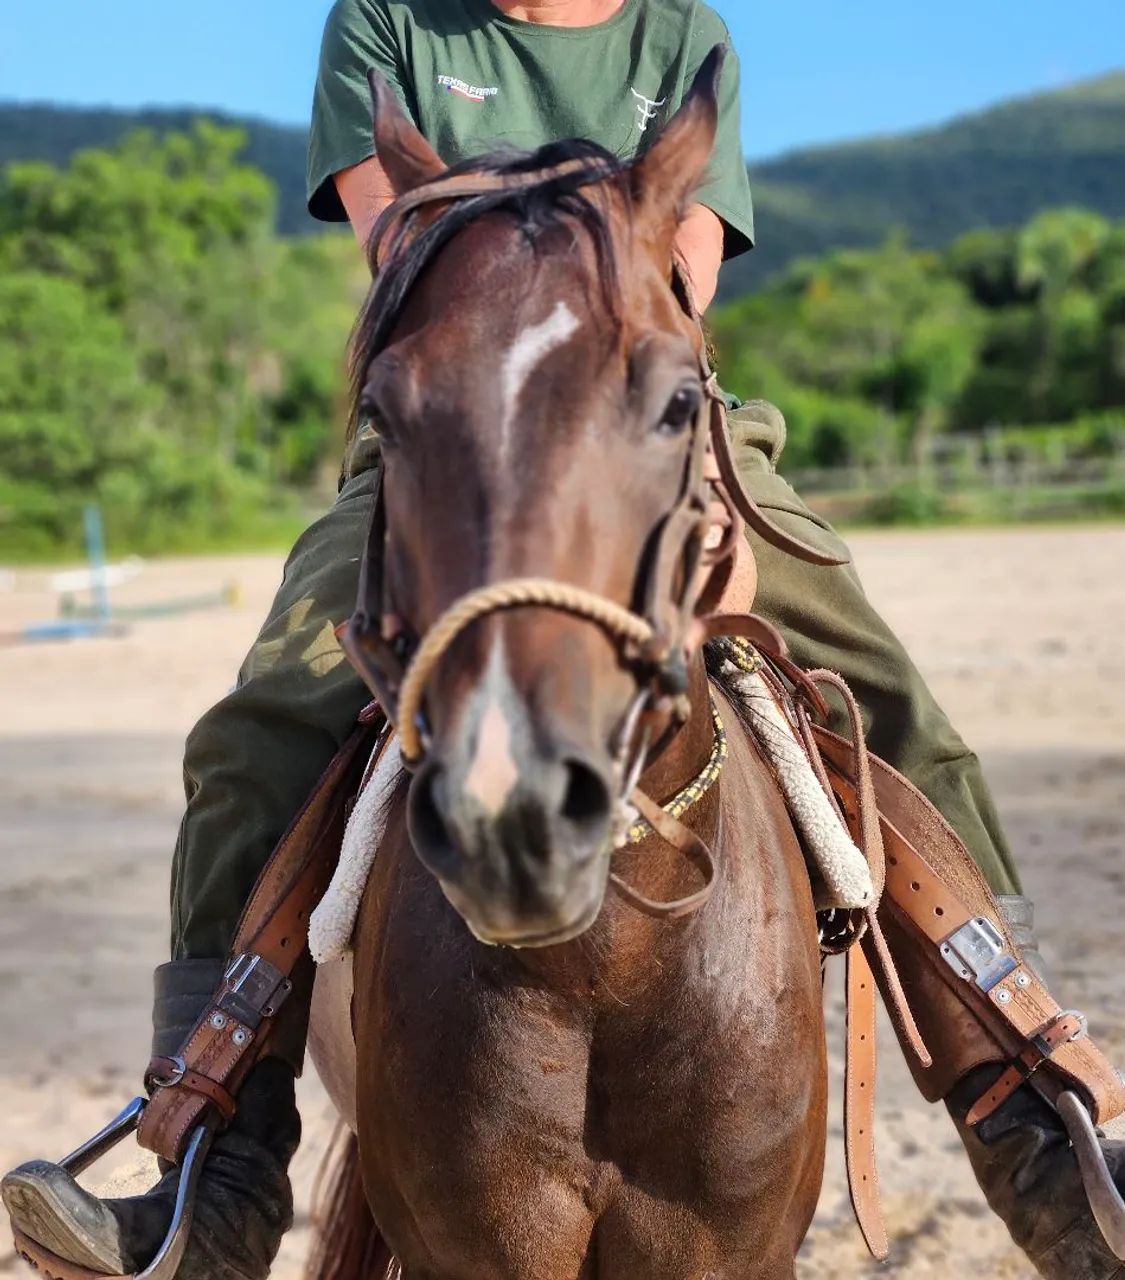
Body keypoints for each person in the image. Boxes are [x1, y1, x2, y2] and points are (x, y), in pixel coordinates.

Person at [3, 3, 1122, 1278]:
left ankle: (1038, 1128)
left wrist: (682, 466)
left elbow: (679, 270)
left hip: (648, 418)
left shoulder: (680, 33)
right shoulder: (382, 23)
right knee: (259, 728)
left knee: (891, 700)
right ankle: (217, 1171)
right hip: (454, 428)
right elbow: (407, 254)